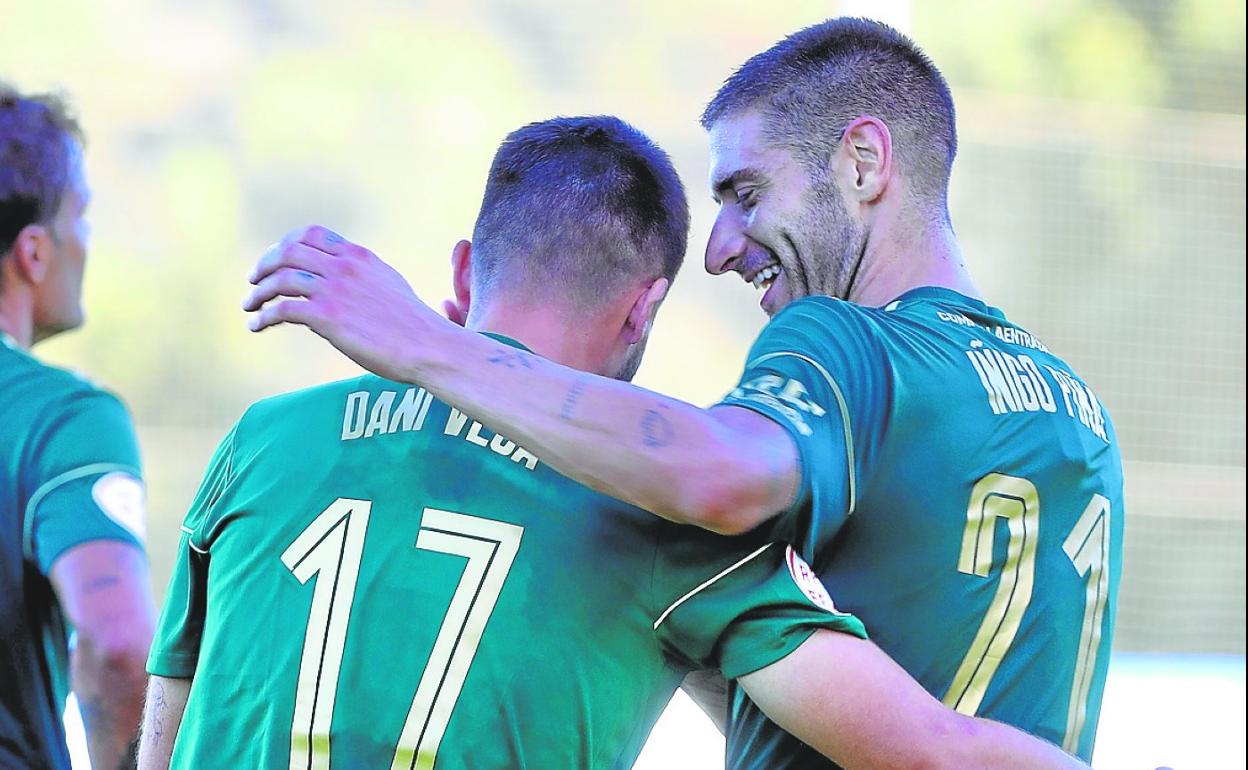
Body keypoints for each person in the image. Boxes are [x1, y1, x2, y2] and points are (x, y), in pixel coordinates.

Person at [244, 18, 1125, 769]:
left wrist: (427, 344)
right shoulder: (1071, 406)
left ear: (863, 161)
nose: (721, 247)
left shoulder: (846, 341)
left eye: (747, 193)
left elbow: (716, 472)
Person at [0, 85, 156, 770]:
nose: (88, 243)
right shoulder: (62, 418)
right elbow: (117, 643)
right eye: (82, 217)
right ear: (33, 253)